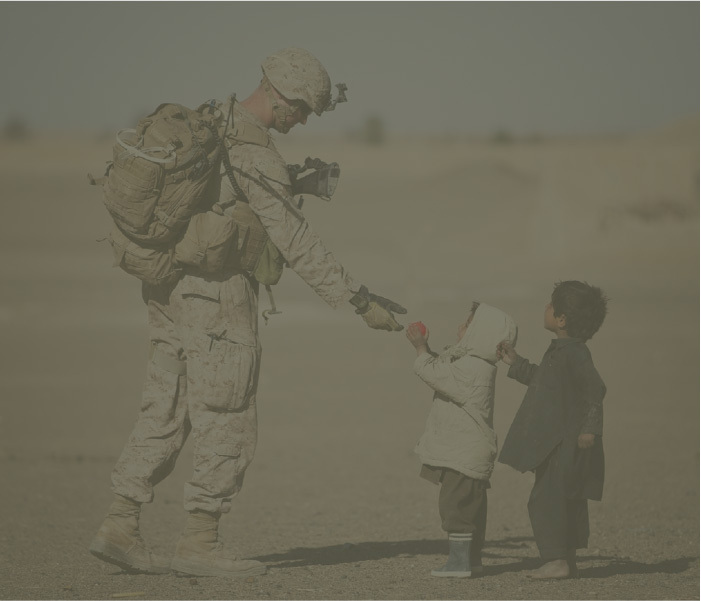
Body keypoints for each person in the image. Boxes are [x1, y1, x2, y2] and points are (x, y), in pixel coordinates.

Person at [89, 47, 407, 578]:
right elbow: (296, 240)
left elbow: (225, 197)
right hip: (216, 297)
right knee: (228, 415)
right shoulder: (254, 153)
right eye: (302, 110)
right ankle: (200, 541)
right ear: (280, 96)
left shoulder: (214, 122)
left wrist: (288, 183)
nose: (301, 121)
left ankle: (119, 524)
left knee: (165, 404)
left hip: (168, 289)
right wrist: (358, 298)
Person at [496, 280, 608, 579]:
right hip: (557, 442)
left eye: (550, 305)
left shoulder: (574, 353)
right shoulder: (561, 350)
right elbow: (544, 381)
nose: (545, 308)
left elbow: (595, 390)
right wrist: (516, 363)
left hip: (565, 444)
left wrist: (590, 429)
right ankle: (566, 559)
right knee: (563, 497)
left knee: (547, 499)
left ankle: (556, 560)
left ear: (561, 319)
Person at [406, 302, 518, 578]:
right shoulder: (473, 364)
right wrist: (427, 349)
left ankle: (459, 563)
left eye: (467, 324)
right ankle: (472, 560)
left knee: (456, 508)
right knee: (472, 510)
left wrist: (420, 348)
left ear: (480, 334)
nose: (460, 327)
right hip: (468, 452)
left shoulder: (473, 368)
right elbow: (443, 368)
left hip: (463, 454)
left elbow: (433, 373)